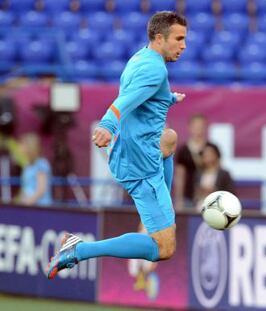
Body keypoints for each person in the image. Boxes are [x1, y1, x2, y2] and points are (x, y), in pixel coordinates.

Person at [47, 11, 187, 279]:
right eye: (178, 39)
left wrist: (167, 98)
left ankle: (162, 209)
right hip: (142, 165)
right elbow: (127, 100)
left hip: (129, 154)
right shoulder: (156, 69)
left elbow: (140, 94)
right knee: (165, 247)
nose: (183, 46)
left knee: (169, 138)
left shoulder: (141, 58)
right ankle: (78, 250)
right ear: (160, 38)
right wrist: (108, 124)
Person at [174, 113, 209, 210]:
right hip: (188, 196)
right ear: (190, 127)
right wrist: (179, 199)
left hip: (208, 197)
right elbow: (180, 176)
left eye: (201, 126)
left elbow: (218, 172)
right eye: (196, 126)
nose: (199, 129)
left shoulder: (212, 148)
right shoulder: (183, 150)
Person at [195, 142, 235, 210]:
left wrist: (215, 191)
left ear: (216, 155)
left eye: (210, 154)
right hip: (200, 207)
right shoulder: (198, 173)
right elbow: (195, 194)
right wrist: (200, 192)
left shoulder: (224, 174)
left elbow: (231, 193)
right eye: (205, 155)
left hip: (219, 209)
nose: (207, 157)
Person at [19, 133, 52, 206]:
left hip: (40, 207)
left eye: (22, 145)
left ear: (30, 147)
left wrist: (28, 202)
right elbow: (26, 187)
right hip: (28, 206)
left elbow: (41, 189)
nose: (20, 148)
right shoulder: (27, 165)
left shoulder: (41, 164)